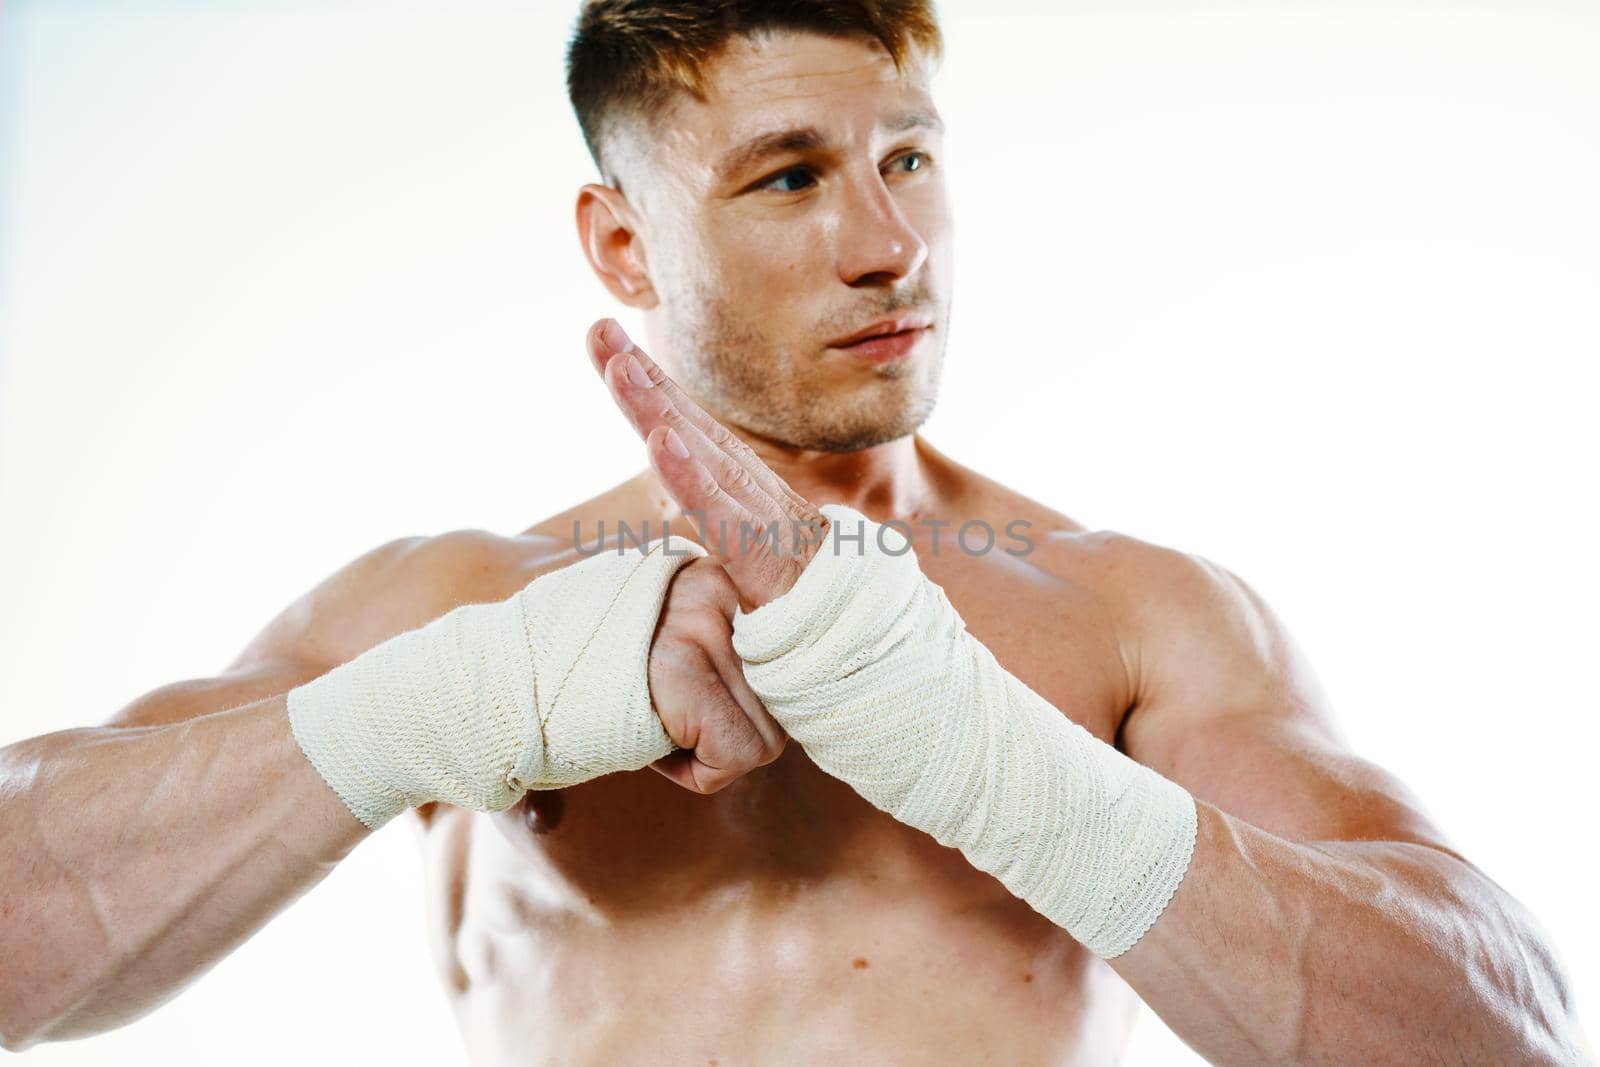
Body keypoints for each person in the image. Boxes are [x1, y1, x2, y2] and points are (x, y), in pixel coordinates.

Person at [0, 2, 1589, 1063]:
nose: (890, 246)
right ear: (622, 245)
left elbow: (1501, 1032)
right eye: (788, 179)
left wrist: (1000, 768)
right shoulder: (469, 612)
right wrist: (435, 708)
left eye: (909, 158)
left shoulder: (1125, 617)